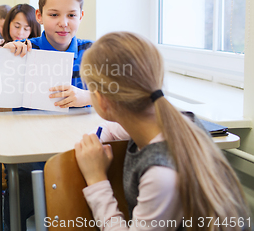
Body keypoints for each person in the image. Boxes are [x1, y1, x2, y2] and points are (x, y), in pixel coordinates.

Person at [75, 32, 249, 231]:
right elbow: (115, 128)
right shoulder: (175, 119)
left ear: (102, 100)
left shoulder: (160, 174)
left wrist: (96, 179)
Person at [2, 0, 94, 229]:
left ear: (81, 16)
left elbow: (117, 96)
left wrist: (86, 97)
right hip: (31, 150)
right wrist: (7, 56)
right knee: (21, 185)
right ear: (39, 17)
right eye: (54, 15)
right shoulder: (23, 49)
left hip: (77, 147)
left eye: (71, 16)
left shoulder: (92, 53)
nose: (63, 23)